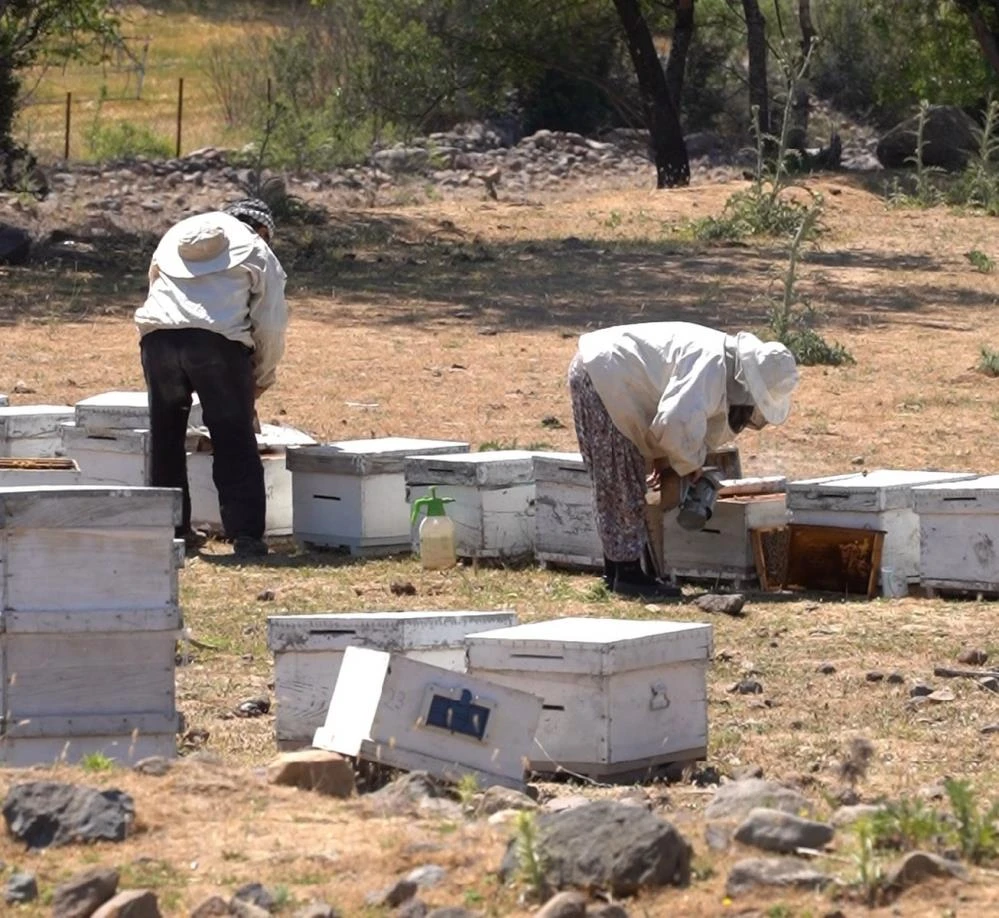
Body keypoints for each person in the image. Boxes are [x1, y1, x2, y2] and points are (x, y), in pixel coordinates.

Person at [568, 321, 799, 600]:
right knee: (620, 478)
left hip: (604, 371)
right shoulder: (711, 367)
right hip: (604, 374)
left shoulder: (719, 361)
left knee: (618, 479)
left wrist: (666, 461)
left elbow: (666, 405)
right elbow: (675, 421)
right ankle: (627, 576)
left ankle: (618, 570)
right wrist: (690, 466)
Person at [134, 198, 288, 558]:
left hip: (157, 341)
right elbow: (271, 324)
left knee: (166, 436)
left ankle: (171, 532)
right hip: (216, 346)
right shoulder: (256, 248)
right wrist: (261, 375)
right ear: (263, 230)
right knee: (233, 437)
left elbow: (154, 284)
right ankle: (246, 536)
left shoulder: (176, 234)